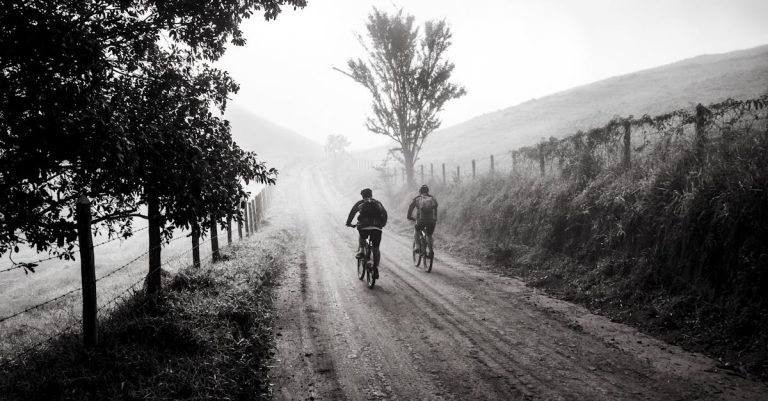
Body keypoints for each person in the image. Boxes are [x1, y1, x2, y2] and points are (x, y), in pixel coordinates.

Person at [345, 188, 388, 279]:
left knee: (362, 236)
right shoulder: (377, 203)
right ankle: (375, 267)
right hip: (377, 227)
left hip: (364, 226)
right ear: (371, 195)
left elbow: (352, 213)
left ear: (362, 195)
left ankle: (361, 251)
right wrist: (382, 224)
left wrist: (349, 223)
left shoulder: (360, 203)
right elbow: (385, 214)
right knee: (376, 247)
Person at [407, 184, 438, 257]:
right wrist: (435, 218)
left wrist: (409, 216)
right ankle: (431, 250)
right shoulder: (432, 198)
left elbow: (411, 207)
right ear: (428, 191)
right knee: (429, 235)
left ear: (420, 191)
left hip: (421, 220)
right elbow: (436, 207)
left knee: (416, 230)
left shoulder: (417, 198)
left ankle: (417, 247)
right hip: (431, 221)